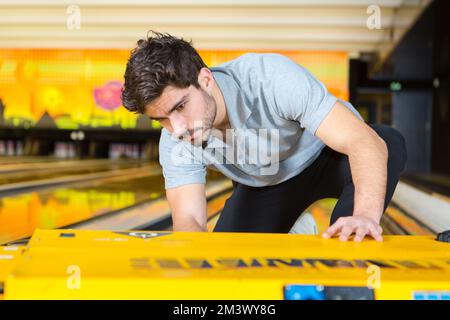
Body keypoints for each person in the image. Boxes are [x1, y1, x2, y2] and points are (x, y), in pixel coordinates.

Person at [121, 31, 407, 242]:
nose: (178, 127)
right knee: (228, 261)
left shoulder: (270, 78)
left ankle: (350, 231)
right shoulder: (173, 138)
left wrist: (366, 215)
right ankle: (292, 225)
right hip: (267, 183)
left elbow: (362, 142)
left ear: (205, 80)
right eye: (161, 119)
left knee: (386, 142)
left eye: (181, 106)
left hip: (327, 157)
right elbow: (190, 220)